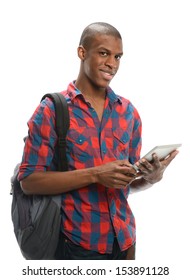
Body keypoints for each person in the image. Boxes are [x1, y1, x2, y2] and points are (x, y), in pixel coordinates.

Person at [18, 22, 179, 260]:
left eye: (118, 56)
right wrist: (95, 174)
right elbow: (29, 181)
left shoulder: (128, 112)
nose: (112, 64)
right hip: (75, 244)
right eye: (104, 53)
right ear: (82, 53)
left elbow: (126, 184)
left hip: (125, 242)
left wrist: (151, 178)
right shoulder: (52, 110)